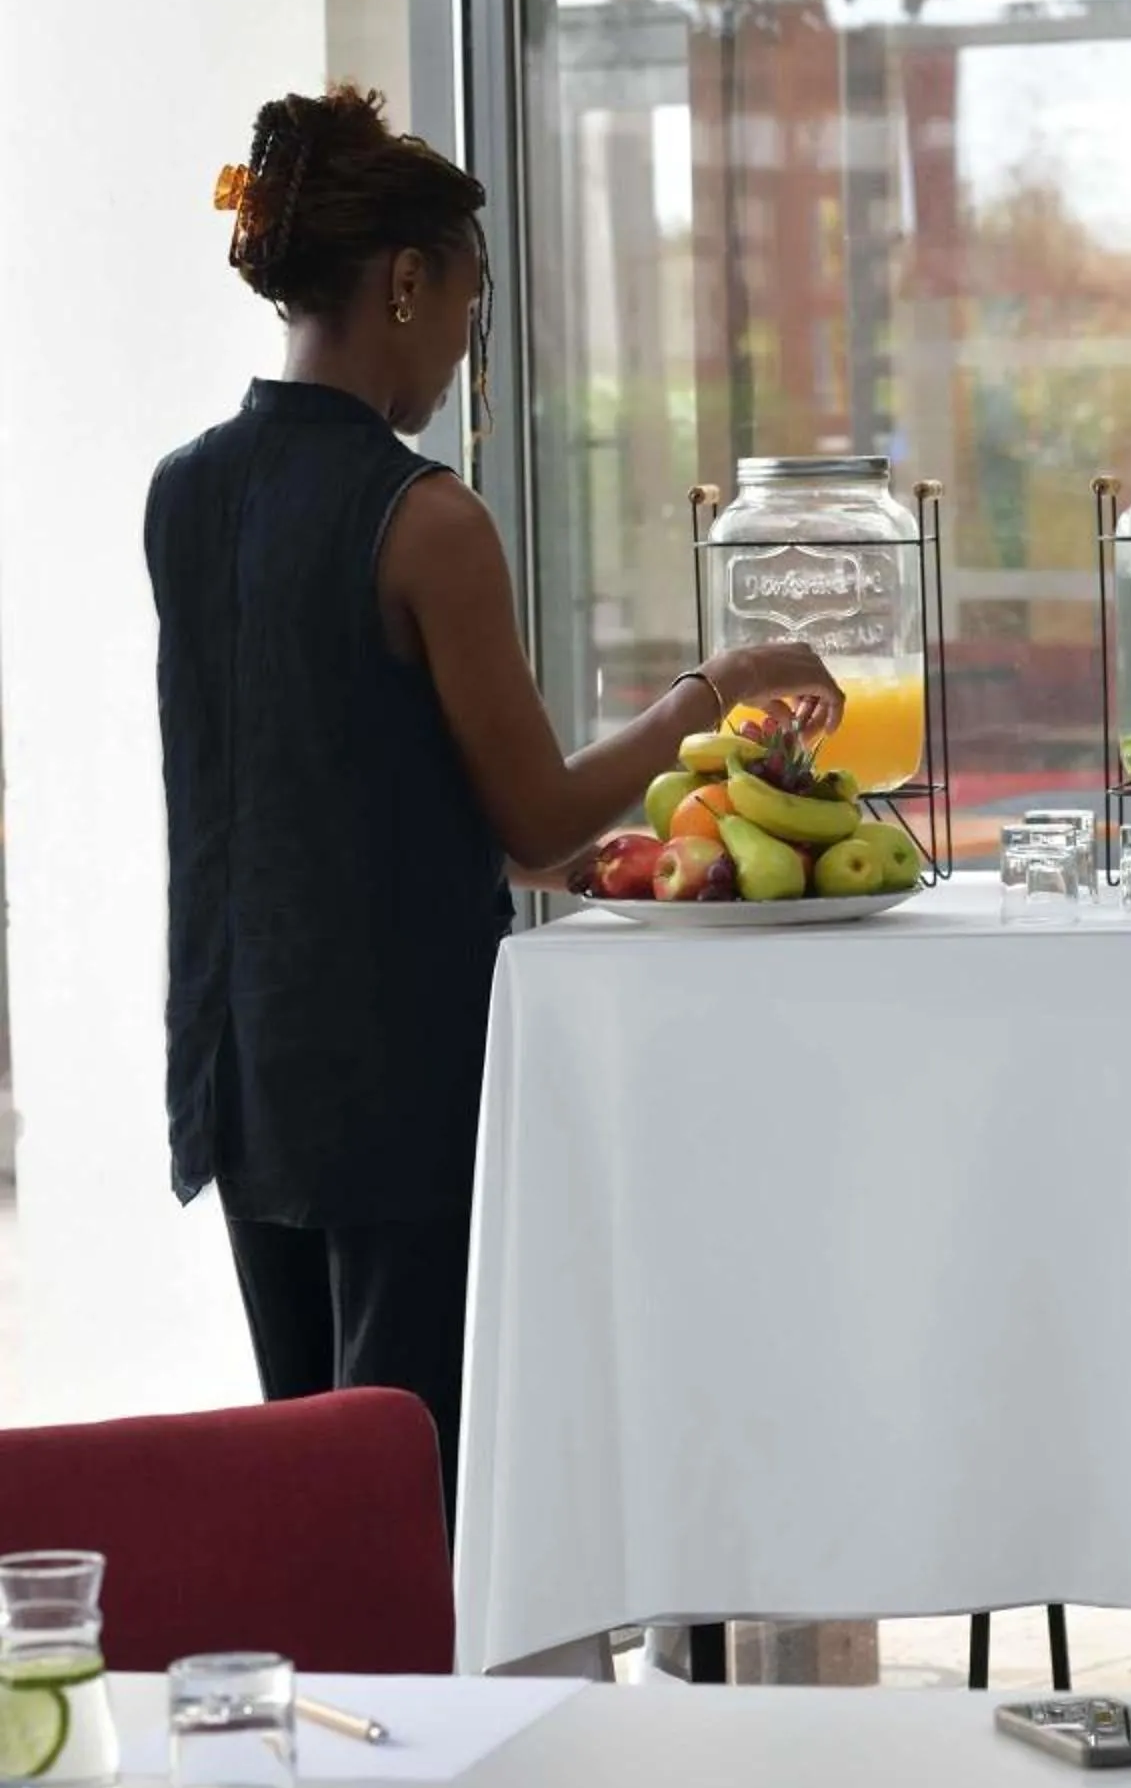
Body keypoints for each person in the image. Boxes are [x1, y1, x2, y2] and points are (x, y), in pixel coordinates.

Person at [149, 84, 841, 1524]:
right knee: (421, 1496)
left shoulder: (185, 492)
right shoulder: (426, 521)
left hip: (242, 1069)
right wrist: (711, 689)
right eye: (467, 303)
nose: (467, 345)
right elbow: (536, 822)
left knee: (316, 1487)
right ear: (407, 281)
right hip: (402, 1084)